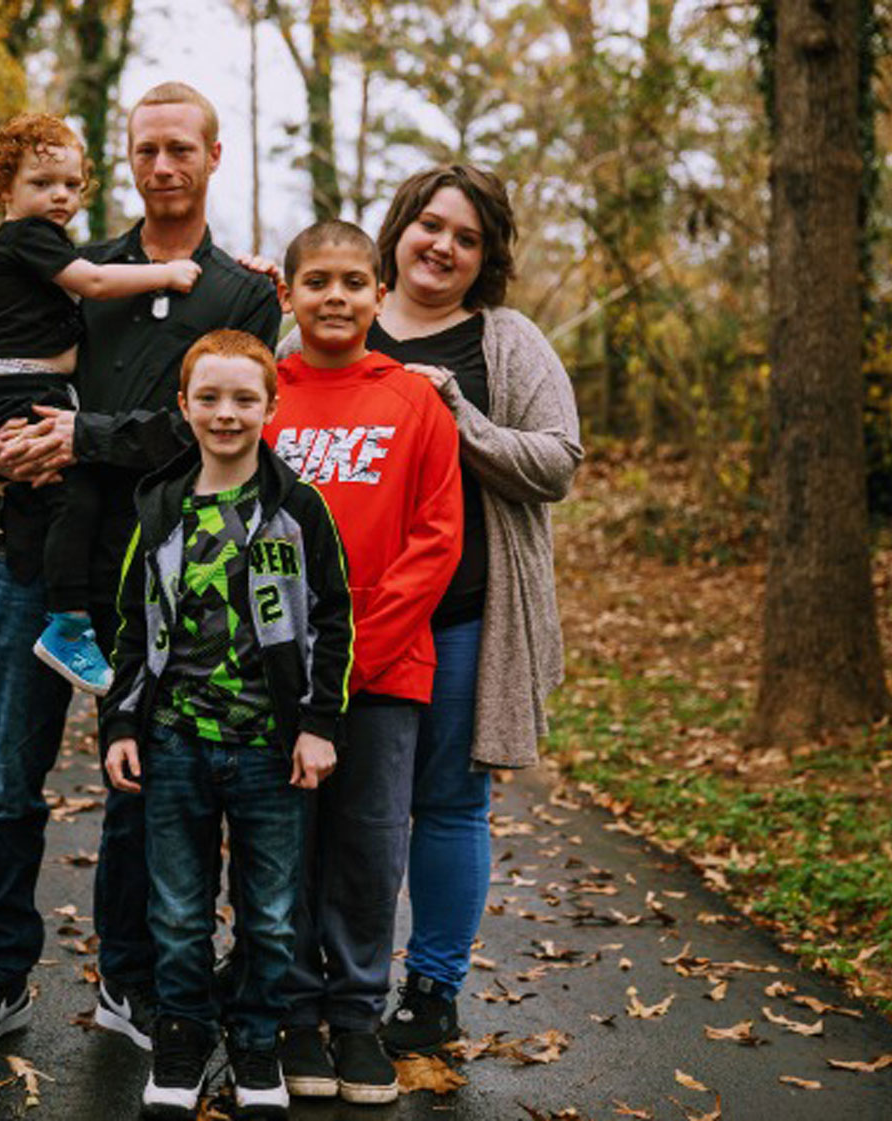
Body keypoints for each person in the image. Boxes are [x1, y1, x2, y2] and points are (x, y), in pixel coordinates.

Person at [0, 82, 280, 1057]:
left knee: (145, 790)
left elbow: (211, 429)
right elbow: (0, 379)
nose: (163, 166)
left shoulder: (242, 293)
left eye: (182, 149)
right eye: (146, 150)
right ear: (127, 161)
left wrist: (86, 435)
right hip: (38, 563)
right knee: (10, 780)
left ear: (214, 157)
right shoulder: (65, 257)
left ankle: (132, 978)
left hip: (165, 580)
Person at [359, 166, 583, 1056]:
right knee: (342, 805)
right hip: (345, 621)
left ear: (484, 258)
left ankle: (432, 990)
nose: (443, 245)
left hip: (463, 616)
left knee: (450, 805)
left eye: (466, 236)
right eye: (430, 224)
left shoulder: (505, 340)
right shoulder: (344, 313)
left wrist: (460, 415)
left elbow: (559, 461)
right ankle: (331, 978)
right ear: (400, 227)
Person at [102, 330, 351, 1120]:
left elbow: (334, 619)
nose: (226, 412)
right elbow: (132, 629)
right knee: (177, 910)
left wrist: (319, 723)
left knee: (271, 914)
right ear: (184, 406)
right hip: (174, 743)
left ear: (272, 406)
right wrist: (120, 724)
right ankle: (183, 1036)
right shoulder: (159, 508)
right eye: (208, 396)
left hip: (269, 751)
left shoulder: (298, 511)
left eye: (245, 397)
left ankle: (254, 1040)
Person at [263, 220, 463, 1105]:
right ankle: (295, 1014)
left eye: (353, 281)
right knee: (286, 847)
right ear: (288, 295)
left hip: (383, 674)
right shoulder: (261, 394)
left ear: (381, 294)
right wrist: (283, 657)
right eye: (318, 281)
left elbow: (435, 539)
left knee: (369, 847)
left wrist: (350, 660)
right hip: (273, 674)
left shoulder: (413, 401)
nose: (335, 296)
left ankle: (354, 1016)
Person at [0, 112, 202, 696]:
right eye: (43, 183)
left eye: (72, 186)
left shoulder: (44, 247)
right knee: (69, 495)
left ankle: (66, 619)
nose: (60, 197)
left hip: (37, 389)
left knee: (65, 495)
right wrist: (164, 275)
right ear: (5, 188)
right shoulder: (30, 239)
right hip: (22, 389)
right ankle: (67, 624)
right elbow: (97, 284)